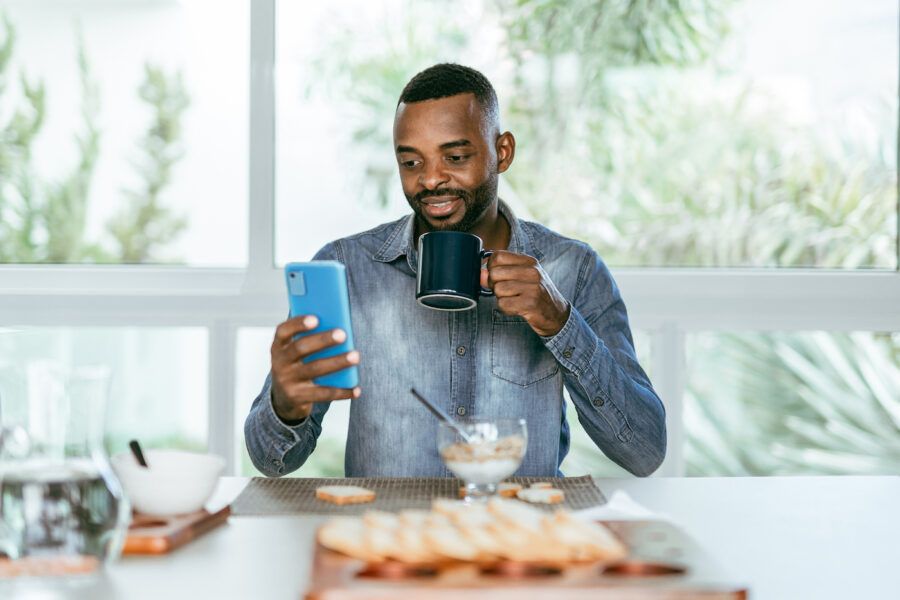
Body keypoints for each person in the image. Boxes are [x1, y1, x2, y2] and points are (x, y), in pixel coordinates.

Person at [244, 63, 666, 478]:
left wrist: (559, 323)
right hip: (390, 540)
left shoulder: (573, 268)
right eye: (411, 163)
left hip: (520, 538)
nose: (430, 180)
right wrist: (286, 403)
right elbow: (272, 460)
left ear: (503, 152)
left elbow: (644, 452)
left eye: (456, 156)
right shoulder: (348, 269)